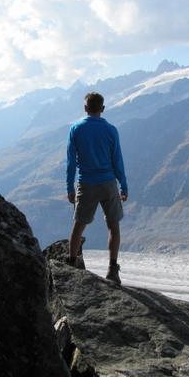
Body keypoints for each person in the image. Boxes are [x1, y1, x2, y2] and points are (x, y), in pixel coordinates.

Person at [66, 92, 128, 285]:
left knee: (78, 225)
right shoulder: (111, 130)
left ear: (85, 108)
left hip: (86, 184)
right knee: (113, 226)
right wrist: (123, 185)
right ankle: (112, 269)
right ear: (102, 108)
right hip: (108, 183)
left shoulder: (76, 129)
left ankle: (71, 264)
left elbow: (71, 162)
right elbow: (117, 160)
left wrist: (69, 187)